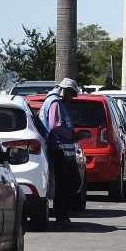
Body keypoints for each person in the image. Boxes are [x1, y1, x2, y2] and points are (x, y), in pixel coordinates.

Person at [39, 77, 79, 227]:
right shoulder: (55, 102)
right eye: (71, 94)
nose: (72, 98)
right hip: (58, 149)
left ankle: (62, 215)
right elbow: (55, 126)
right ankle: (61, 216)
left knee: (66, 183)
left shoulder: (58, 102)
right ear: (65, 91)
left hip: (62, 149)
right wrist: (72, 134)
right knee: (63, 184)